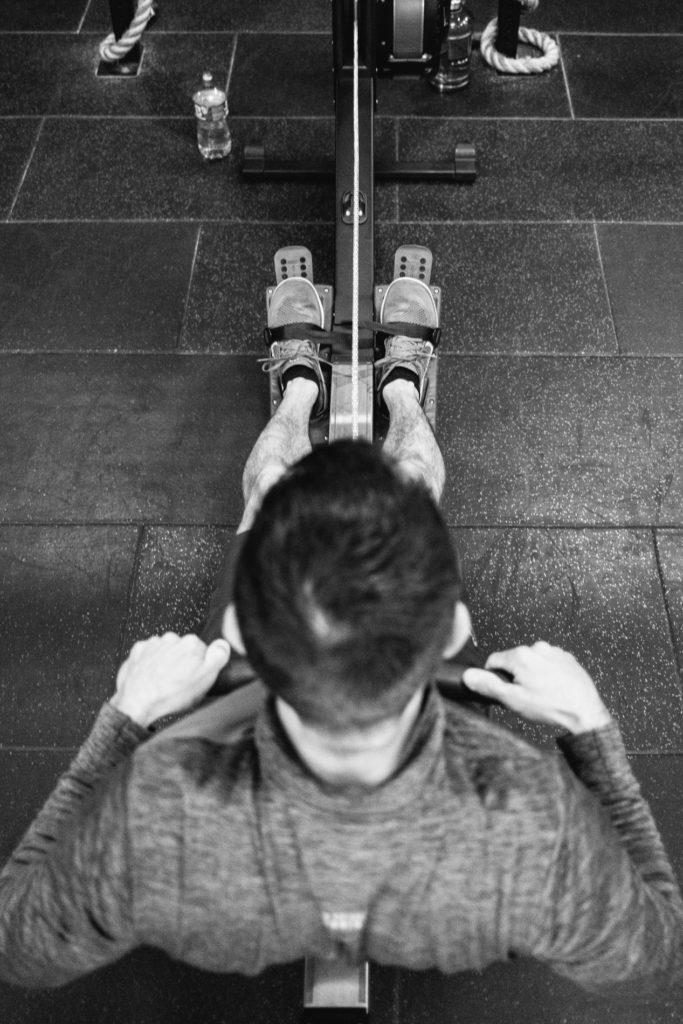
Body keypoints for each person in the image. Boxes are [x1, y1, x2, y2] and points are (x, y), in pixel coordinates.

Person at [0, 274, 681, 998]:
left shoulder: (152, 812)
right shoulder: (532, 821)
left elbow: (17, 945)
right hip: (446, 894)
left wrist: (127, 719)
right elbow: (648, 945)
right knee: (412, 479)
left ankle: (297, 385)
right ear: (455, 627)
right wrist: (586, 728)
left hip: (227, 820)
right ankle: (402, 390)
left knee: (269, 490)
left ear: (237, 627)